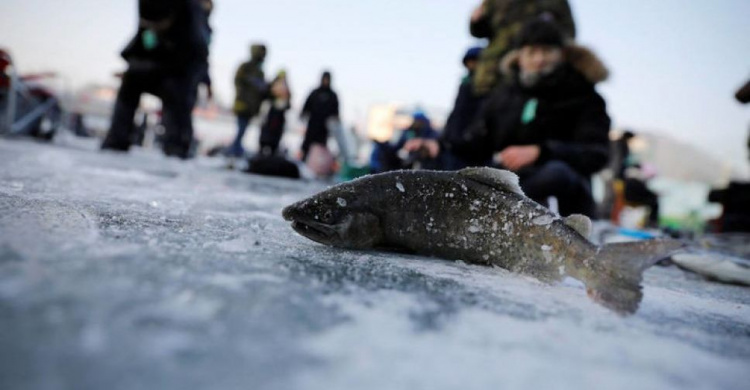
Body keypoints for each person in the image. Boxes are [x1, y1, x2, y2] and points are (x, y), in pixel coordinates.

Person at [412, 20, 610, 217]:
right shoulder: (503, 95)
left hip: (558, 187)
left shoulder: (586, 98)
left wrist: (540, 152)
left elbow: (596, 153)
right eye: (532, 52)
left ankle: (555, 231)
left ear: (562, 54)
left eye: (547, 51)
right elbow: (475, 142)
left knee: (555, 173)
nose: (539, 59)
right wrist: (439, 146)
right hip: (507, 181)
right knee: (439, 162)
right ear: (520, 56)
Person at [101, 0, 209, 159]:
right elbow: (142, 42)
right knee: (129, 83)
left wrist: (203, 81)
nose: (153, 27)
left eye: (159, 24)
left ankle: (176, 146)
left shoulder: (191, 19)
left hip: (180, 71)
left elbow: (199, 56)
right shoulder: (147, 18)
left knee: (178, 98)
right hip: (153, 65)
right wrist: (134, 64)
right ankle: (117, 139)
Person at [469, 0, 576, 96]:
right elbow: (480, 30)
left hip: (538, 75)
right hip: (493, 71)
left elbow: (567, 32)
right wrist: (476, 21)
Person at [439, 46, 489, 170]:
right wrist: (446, 136)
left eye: (475, 61)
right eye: (470, 62)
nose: (472, 65)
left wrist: (469, 136)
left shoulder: (485, 85)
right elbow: (456, 112)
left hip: (471, 147)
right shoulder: (465, 84)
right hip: (454, 143)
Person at [229, 43, 268, 159]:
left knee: (243, 130)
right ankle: (234, 152)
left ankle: (236, 150)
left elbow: (262, 92)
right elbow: (238, 81)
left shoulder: (260, 71)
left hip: (252, 107)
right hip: (243, 104)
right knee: (241, 129)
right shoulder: (246, 67)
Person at [300, 71, 339, 161]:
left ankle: (318, 165)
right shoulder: (315, 92)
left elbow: (336, 111)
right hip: (312, 124)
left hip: (324, 128)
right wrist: (303, 113)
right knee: (307, 145)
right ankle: (303, 160)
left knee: (321, 147)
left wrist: (335, 121)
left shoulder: (332, 95)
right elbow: (307, 105)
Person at [258, 70, 291, 156]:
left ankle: (272, 153)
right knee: (266, 135)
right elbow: (264, 96)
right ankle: (262, 152)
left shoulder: (287, 89)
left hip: (279, 117)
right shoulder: (271, 86)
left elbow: (288, 104)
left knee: (275, 137)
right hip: (270, 115)